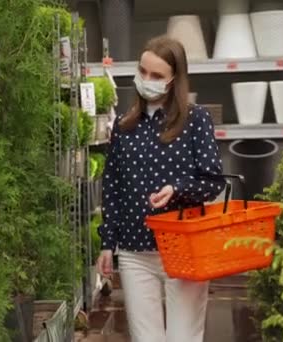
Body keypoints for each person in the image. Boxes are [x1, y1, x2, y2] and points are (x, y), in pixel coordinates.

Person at [96, 36, 226, 342]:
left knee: (183, 337)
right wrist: (107, 242)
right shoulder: (124, 126)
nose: (147, 80)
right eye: (143, 72)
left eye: (157, 76)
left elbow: (212, 181)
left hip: (184, 247)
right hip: (134, 250)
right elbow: (113, 186)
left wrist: (177, 189)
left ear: (174, 80)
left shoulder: (195, 120)